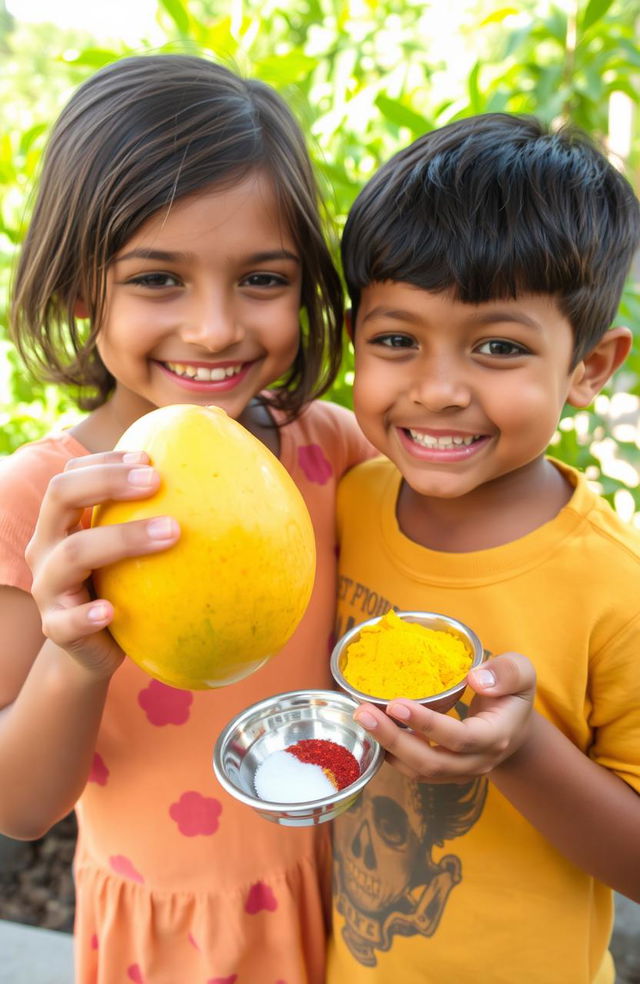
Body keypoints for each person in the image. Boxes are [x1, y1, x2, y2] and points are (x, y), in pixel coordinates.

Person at [0, 54, 374, 984]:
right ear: (85, 292)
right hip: (166, 941)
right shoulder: (41, 506)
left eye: (262, 279)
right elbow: (19, 804)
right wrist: (74, 651)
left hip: (351, 897)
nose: (214, 329)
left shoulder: (329, 450)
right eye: (158, 280)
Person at [328, 113, 640, 984]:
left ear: (589, 368)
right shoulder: (348, 503)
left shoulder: (615, 587)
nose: (437, 390)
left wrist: (523, 752)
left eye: (498, 347)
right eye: (397, 340)